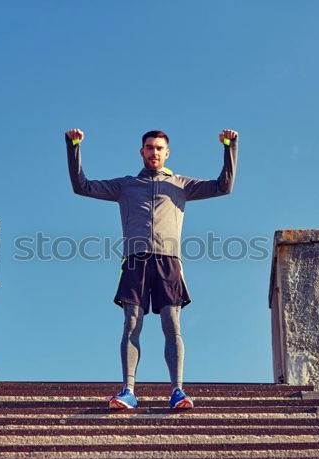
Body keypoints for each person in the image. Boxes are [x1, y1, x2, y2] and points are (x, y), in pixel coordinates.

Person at [65, 128, 239, 409]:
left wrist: (229, 146)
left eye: (159, 148)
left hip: (168, 262)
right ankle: (128, 391)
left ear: (166, 153)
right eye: (149, 147)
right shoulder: (126, 185)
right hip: (134, 261)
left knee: (172, 325)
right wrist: (74, 145)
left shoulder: (180, 184)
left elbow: (224, 185)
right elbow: (81, 186)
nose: (154, 152)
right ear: (141, 151)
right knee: (132, 323)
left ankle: (178, 391)